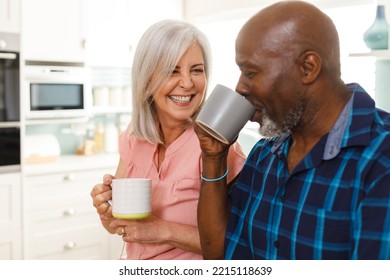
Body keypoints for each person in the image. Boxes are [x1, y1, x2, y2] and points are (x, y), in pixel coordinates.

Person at [195, 1, 390, 260]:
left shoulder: (380, 159)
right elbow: (221, 256)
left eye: (250, 72)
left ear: (308, 67)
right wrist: (214, 158)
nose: (240, 87)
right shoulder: (265, 154)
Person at [90, 19, 246, 260]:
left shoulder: (218, 146)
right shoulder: (134, 136)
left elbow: (239, 243)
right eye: (172, 71)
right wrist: (106, 211)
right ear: (147, 78)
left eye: (197, 70)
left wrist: (163, 230)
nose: (187, 83)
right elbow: (118, 227)